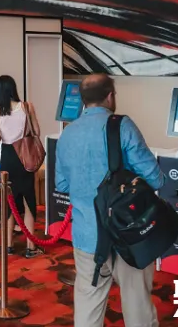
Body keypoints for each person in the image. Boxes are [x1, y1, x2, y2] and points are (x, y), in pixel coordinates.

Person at [55, 74, 164, 327]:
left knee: (88, 302)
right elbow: (155, 179)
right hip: (129, 234)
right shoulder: (122, 126)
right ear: (110, 96)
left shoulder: (67, 134)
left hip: (87, 235)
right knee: (137, 304)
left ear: (82, 100)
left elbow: (61, 184)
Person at [0, 75, 42, 257]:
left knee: (8, 202)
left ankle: (9, 245)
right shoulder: (27, 107)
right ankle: (30, 247)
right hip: (24, 157)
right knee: (28, 201)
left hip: (7, 158)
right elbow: (36, 131)